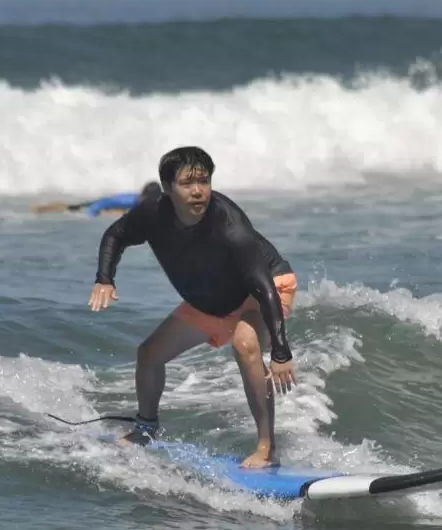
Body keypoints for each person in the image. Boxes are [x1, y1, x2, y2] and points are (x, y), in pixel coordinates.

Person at [88, 146, 298, 469]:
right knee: (149, 355)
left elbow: (262, 284)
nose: (199, 190)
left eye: (204, 181)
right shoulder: (152, 214)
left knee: (245, 344)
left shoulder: (228, 222)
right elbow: (115, 234)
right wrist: (105, 279)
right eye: (188, 183)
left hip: (261, 291)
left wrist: (280, 352)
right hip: (211, 301)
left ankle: (266, 448)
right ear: (168, 187)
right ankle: (146, 429)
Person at [32, 182, 158, 218]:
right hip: (103, 203)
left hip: (112, 204)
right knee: (72, 208)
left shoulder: (152, 200)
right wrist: (91, 214)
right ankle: (43, 208)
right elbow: (104, 203)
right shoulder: (129, 201)